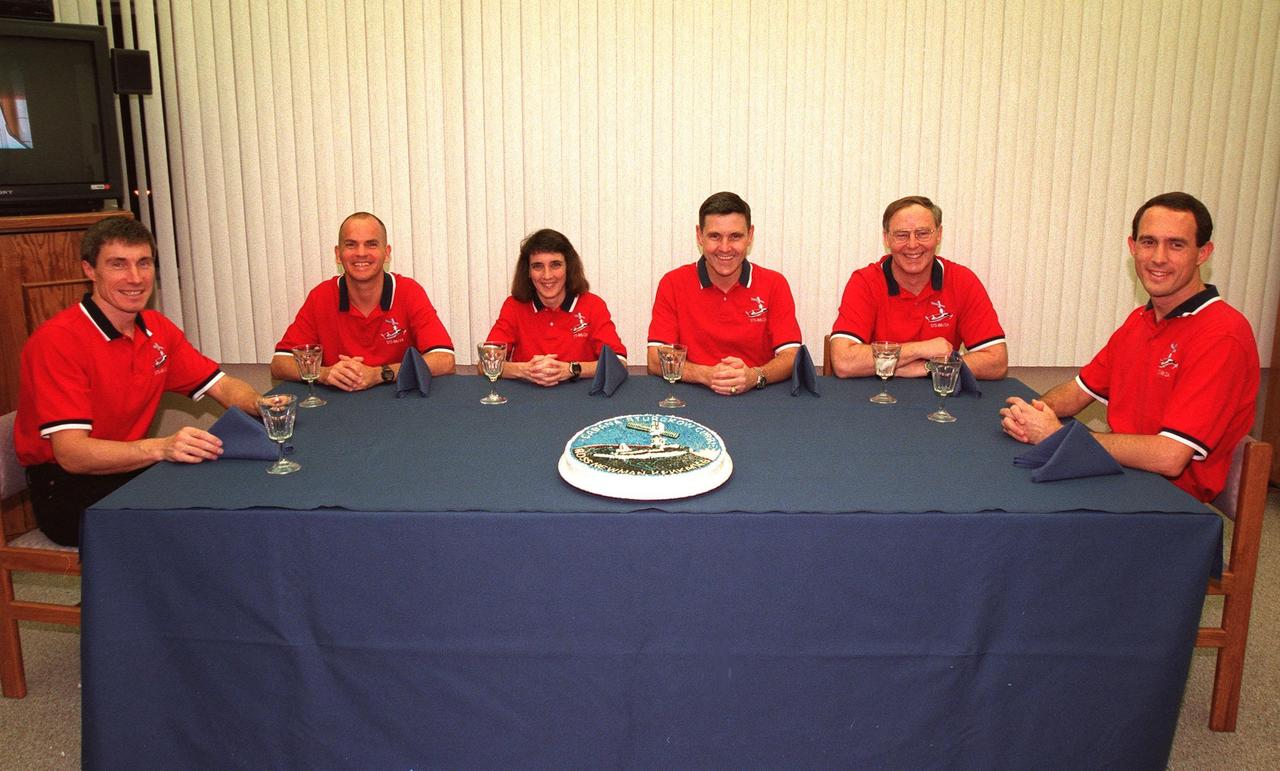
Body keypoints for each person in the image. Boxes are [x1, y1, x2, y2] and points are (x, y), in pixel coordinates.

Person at [14, 216, 262, 547]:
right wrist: (161, 447)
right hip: (66, 488)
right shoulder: (57, 341)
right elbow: (72, 454)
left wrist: (264, 405)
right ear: (90, 270)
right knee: (197, 527)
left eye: (143, 263)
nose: (135, 277)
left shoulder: (156, 328)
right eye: (118, 264)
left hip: (127, 469)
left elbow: (222, 385)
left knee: (231, 490)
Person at [1000, 192, 1259, 502]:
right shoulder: (1140, 320)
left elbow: (1170, 457)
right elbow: (1078, 393)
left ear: (1203, 253)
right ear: (1133, 247)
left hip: (1165, 502)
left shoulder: (1222, 333)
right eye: (1149, 242)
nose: (1158, 257)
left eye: (1176, 245)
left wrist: (1058, 436)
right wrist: (1031, 413)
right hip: (1120, 476)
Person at [828, 195, 1007, 379]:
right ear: (886, 239)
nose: (913, 245)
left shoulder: (962, 280)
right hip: (879, 393)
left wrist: (926, 368)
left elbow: (997, 362)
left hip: (941, 394)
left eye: (923, 233)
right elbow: (844, 362)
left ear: (939, 234)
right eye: (902, 235)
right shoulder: (865, 281)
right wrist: (920, 349)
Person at [271, 212, 455, 390]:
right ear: (338, 254)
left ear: (387, 253)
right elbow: (280, 363)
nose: (361, 253)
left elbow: (444, 360)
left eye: (371, 244)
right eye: (351, 245)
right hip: (339, 402)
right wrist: (324, 374)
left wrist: (379, 374)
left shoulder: (409, 292)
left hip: (398, 401)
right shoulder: (321, 296)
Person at [646, 191, 802, 395]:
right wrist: (706, 375)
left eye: (735, 236)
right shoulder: (672, 283)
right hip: (691, 396)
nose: (725, 248)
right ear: (699, 235)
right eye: (715, 236)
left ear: (750, 235)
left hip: (758, 396)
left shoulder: (774, 284)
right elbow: (655, 359)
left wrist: (754, 376)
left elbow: (792, 356)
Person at [483, 228, 627, 385]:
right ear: (528, 272)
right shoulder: (513, 306)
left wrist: (571, 369)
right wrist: (525, 370)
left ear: (568, 267)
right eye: (537, 266)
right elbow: (485, 363)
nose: (547, 275)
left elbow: (618, 363)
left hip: (580, 395)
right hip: (526, 394)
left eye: (555, 265)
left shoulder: (593, 305)